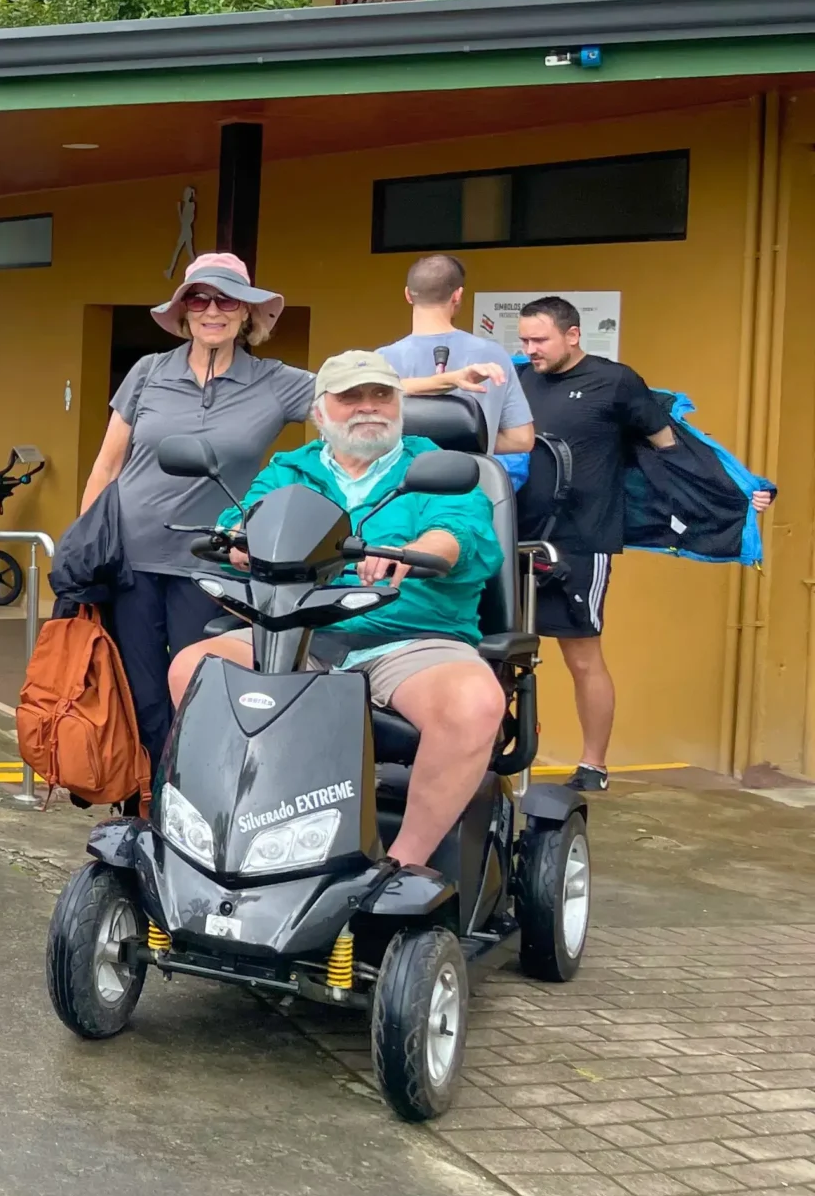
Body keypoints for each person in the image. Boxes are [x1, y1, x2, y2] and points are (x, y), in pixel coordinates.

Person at [168, 352, 507, 879]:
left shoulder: (436, 468)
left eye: (381, 396)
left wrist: (410, 551)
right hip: (298, 632)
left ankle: (400, 869)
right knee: (194, 668)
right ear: (320, 413)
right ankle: (237, 845)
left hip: (410, 637)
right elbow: (243, 519)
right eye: (350, 398)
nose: (367, 408)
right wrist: (238, 541)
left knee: (476, 702)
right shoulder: (290, 470)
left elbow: (458, 535)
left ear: (400, 405)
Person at [514, 296, 767, 791]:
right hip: (513, 536)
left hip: (581, 540)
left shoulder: (615, 382)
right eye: (523, 340)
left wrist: (733, 492)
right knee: (499, 650)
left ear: (572, 335)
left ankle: (592, 765)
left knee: (581, 654)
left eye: (538, 340)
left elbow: (673, 450)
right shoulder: (519, 380)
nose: (530, 349)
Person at [80, 252, 317, 764]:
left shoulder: (275, 380)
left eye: (226, 299)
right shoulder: (148, 372)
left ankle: (195, 793)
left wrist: (437, 385)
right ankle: (151, 801)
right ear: (184, 311)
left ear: (247, 313)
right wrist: (85, 545)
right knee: (139, 691)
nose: (213, 309)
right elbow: (106, 465)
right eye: (199, 298)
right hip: (132, 557)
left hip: (212, 564)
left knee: (199, 687)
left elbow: (359, 399)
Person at [378, 253, 533, 455]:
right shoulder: (494, 355)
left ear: (408, 295)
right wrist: (471, 443)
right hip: (473, 480)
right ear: (457, 295)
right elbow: (521, 439)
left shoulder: (380, 360)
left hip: (402, 481)